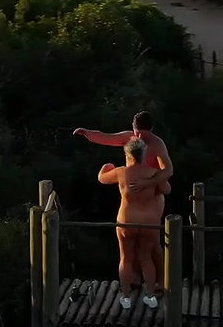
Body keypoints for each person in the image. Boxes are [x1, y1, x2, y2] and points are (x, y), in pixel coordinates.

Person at [73, 111, 174, 292]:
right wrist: (87, 133)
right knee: (131, 243)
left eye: (143, 133)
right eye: (137, 132)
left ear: (151, 130)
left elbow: (168, 171)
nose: (139, 137)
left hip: (152, 193)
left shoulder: (158, 145)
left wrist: (148, 182)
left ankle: (161, 280)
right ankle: (134, 278)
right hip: (131, 193)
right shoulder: (129, 138)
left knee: (152, 242)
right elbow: (107, 137)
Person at [98, 138, 169, 308]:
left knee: (126, 258)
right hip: (149, 223)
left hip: (126, 221)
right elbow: (167, 189)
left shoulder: (121, 172)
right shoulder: (153, 173)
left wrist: (106, 167)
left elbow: (101, 178)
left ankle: (126, 297)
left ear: (127, 154)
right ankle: (150, 296)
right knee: (146, 258)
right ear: (144, 154)